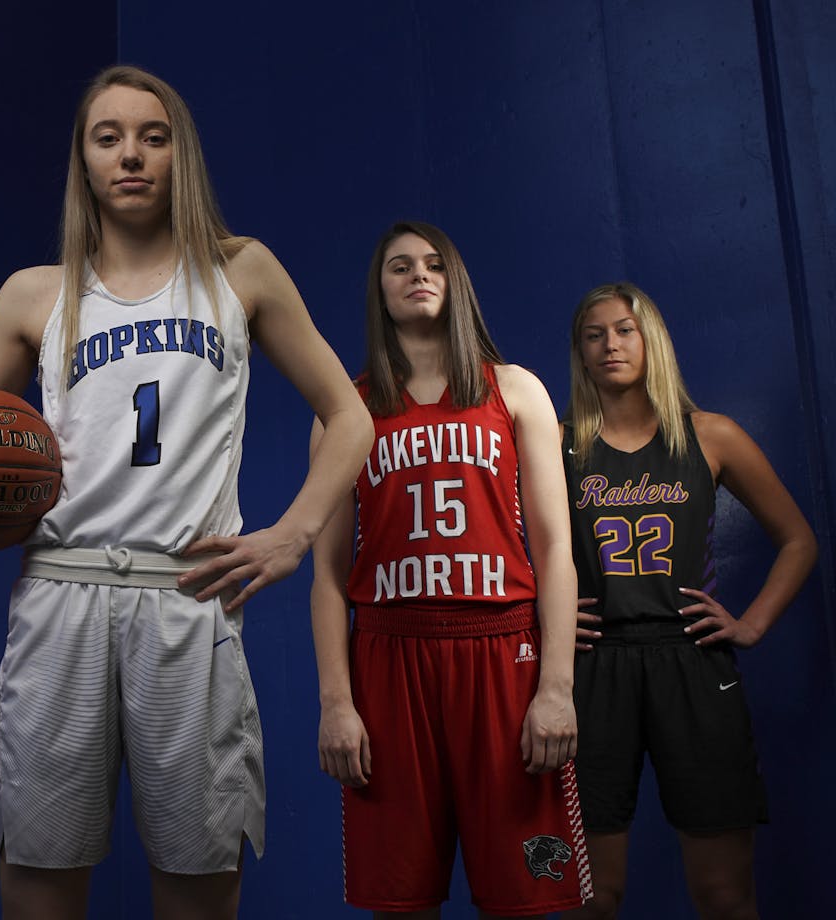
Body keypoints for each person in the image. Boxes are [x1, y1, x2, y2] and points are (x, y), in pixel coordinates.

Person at [0, 66, 372, 920]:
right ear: (84, 161)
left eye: (153, 136)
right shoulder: (34, 292)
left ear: (180, 156)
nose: (131, 155)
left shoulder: (241, 271)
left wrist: (294, 534)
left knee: (200, 891)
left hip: (187, 593)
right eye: (109, 137)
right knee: (38, 889)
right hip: (61, 592)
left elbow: (350, 417)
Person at [310, 221, 590, 918]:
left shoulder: (515, 391)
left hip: (502, 653)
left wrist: (556, 687)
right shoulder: (346, 411)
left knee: (527, 899)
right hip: (388, 657)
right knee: (401, 903)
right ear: (380, 290)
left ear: (455, 280)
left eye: (433, 263)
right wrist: (336, 703)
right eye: (399, 266)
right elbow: (325, 575)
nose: (418, 274)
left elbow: (555, 549)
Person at [559, 283, 816, 920]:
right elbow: (516, 547)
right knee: (588, 897)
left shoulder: (711, 436)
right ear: (581, 353)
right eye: (594, 335)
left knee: (725, 897)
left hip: (692, 663)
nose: (610, 345)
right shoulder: (557, 444)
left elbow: (798, 540)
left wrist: (751, 623)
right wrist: (549, 619)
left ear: (653, 341)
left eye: (624, 330)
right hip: (594, 668)